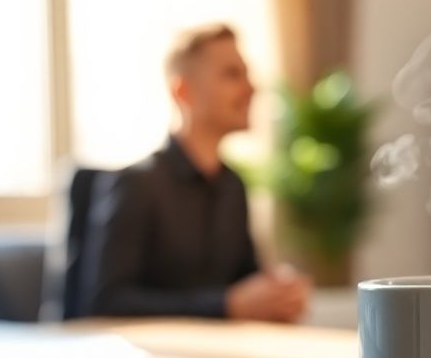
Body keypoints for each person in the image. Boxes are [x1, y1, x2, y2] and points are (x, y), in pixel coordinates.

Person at [81, 23, 310, 322]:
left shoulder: (233, 187)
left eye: (247, 74)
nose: (251, 88)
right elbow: (106, 302)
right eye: (232, 74)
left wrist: (275, 294)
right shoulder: (136, 185)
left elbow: (244, 283)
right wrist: (225, 305)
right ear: (183, 91)